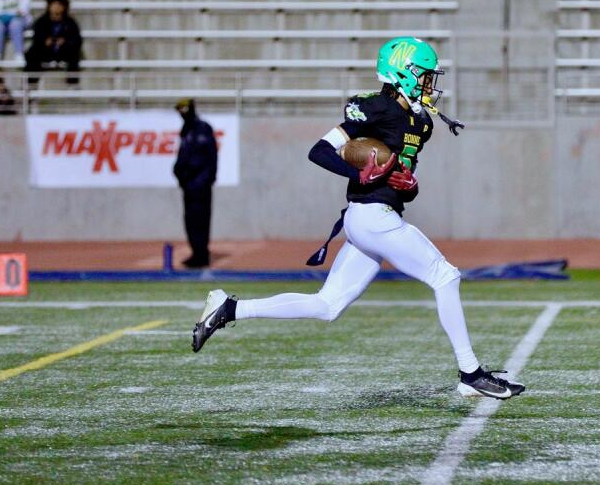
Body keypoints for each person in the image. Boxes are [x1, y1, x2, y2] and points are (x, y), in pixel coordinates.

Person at [191, 37, 526, 400]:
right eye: (425, 75)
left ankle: (230, 308)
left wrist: (407, 184)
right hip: (370, 218)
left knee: (327, 305)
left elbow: (403, 185)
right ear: (404, 73)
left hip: (374, 217)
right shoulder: (374, 108)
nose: (431, 83)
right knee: (445, 276)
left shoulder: (421, 123)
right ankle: (470, 374)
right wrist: (358, 175)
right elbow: (319, 150)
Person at [173, 98, 218, 268]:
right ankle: (196, 252)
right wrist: (179, 173)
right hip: (188, 184)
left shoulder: (203, 128)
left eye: (184, 109)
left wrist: (206, 179)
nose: (181, 113)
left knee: (201, 220)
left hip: (200, 184)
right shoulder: (186, 130)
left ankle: (201, 254)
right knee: (190, 220)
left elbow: (211, 157)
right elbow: (183, 157)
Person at [25, 0, 82, 84]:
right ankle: (31, 83)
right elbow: (36, 37)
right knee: (31, 53)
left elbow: (77, 40)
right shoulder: (41, 21)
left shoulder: (70, 22)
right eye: (54, 4)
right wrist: (45, 41)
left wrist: (65, 41)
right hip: (46, 51)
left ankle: (72, 83)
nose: (56, 7)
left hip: (64, 51)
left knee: (75, 54)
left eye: (59, 5)